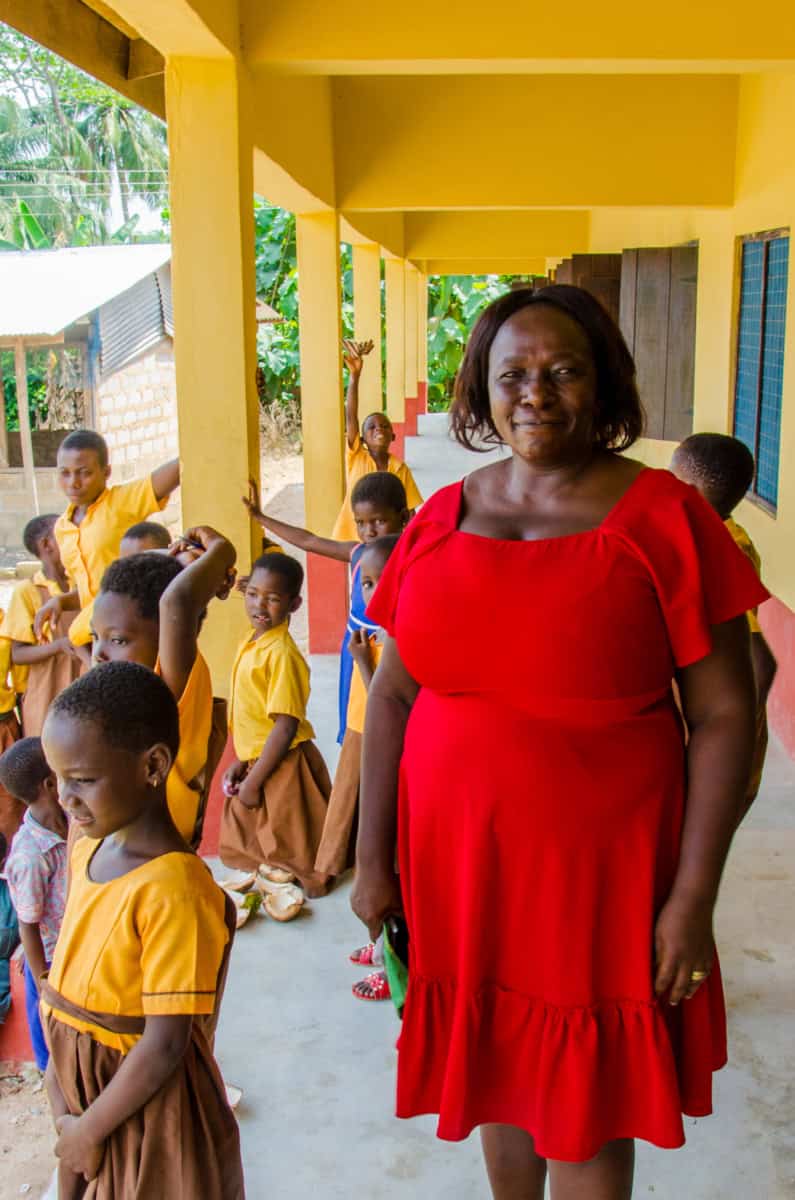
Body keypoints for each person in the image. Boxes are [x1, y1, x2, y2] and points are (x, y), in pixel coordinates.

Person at [351, 285, 767, 1199]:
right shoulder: (438, 519)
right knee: (495, 1061)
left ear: (603, 385)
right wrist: (370, 855)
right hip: (460, 864)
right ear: (481, 392)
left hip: (600, 871)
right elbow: (391, 696)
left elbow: (728, 717)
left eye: (561, 371)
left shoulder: (665, 518)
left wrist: (693, 896)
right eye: (513, 375)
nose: (534, 393)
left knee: (582, 1090)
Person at [40, 662, 244, 1199]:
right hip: (82, 1090)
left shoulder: (173, 886)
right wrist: (61, 1096)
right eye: (58, 777)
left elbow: (164, 1042)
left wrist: (87, 1128)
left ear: (153, 765)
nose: (65, 797)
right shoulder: (89, 846)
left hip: (141, 1106)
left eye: (82, 780)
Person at [90, 529, 235, 847]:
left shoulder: (169, 688)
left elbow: (177, 601)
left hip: (157, 854)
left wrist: (221, 551)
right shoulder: (113, 697)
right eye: (94, 637)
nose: (98, 653)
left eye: (117, 640)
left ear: (172, 633)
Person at [243, 472, 409, 744]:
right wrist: (262, 519)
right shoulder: (357, 554)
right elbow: (309, 541)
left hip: (391, 653)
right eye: (361, 523)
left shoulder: (410, 559)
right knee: (357, 724)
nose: (369, 532)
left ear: (402, 517)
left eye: (379, 521)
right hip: (355, 650)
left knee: (390, 725)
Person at [671, 433, 776, 819]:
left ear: (690, 489)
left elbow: (759, 659)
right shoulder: (723, 536)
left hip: (719, 761)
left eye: (672, 478)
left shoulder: (721, 551)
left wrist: (731, 744)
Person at [219, 552, 331, 897]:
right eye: (253, 594)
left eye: (273, 598)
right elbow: (255, 714)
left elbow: (284, 726)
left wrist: (254, 779)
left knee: (295, 843)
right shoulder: (252, 641)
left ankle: (299, 885)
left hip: (285, 763)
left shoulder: (281, 653)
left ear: (294, 604)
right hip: (259, 757)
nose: (259, 606)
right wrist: (242, 761)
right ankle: (274, 885)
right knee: (260, 838)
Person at [34, 430, 180, 644]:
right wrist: (61, 602)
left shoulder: (120, 502)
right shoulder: (62, 528)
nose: (73, 483)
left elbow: (175, 471)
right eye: (65, 473)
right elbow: (87, 594)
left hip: (131, 630)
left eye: (84, 472)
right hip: (97, 639)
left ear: (106, 471)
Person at [0, 737, 66, 1071]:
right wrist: (43, 980)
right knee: (54, 1051)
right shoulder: (30, 855)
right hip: (52, 963)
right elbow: (27, 922)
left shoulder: (72, 821)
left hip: (73, 946)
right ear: (51, 783)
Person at [331, 339, 423, 541]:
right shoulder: (356, 456)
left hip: (388, 539)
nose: (379, 429)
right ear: (362, 439)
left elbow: (411, 511)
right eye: (372, 427)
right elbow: (351, 416)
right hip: (356, 536)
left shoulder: (400, 468)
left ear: (393, 436)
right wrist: (355, 376)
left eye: (384, 426)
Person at [2, 514, 81, 735]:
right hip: (47, 692)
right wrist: (58, 646)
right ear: (46, 544)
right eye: (65, 536)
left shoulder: (82, 585)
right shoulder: (28, 591)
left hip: (84, 684)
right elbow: (17, 654)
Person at [66, 520, 171, 656]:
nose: (132, 570)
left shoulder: (173, 597)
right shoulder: (118, 601)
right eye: (126, 563)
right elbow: (75, 635)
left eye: (143, 561)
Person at [0, 618, 23, 843]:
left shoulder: (7, 625)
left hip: (4, 725)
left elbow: (21, 681)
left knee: (10, 802)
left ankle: (7, 869)